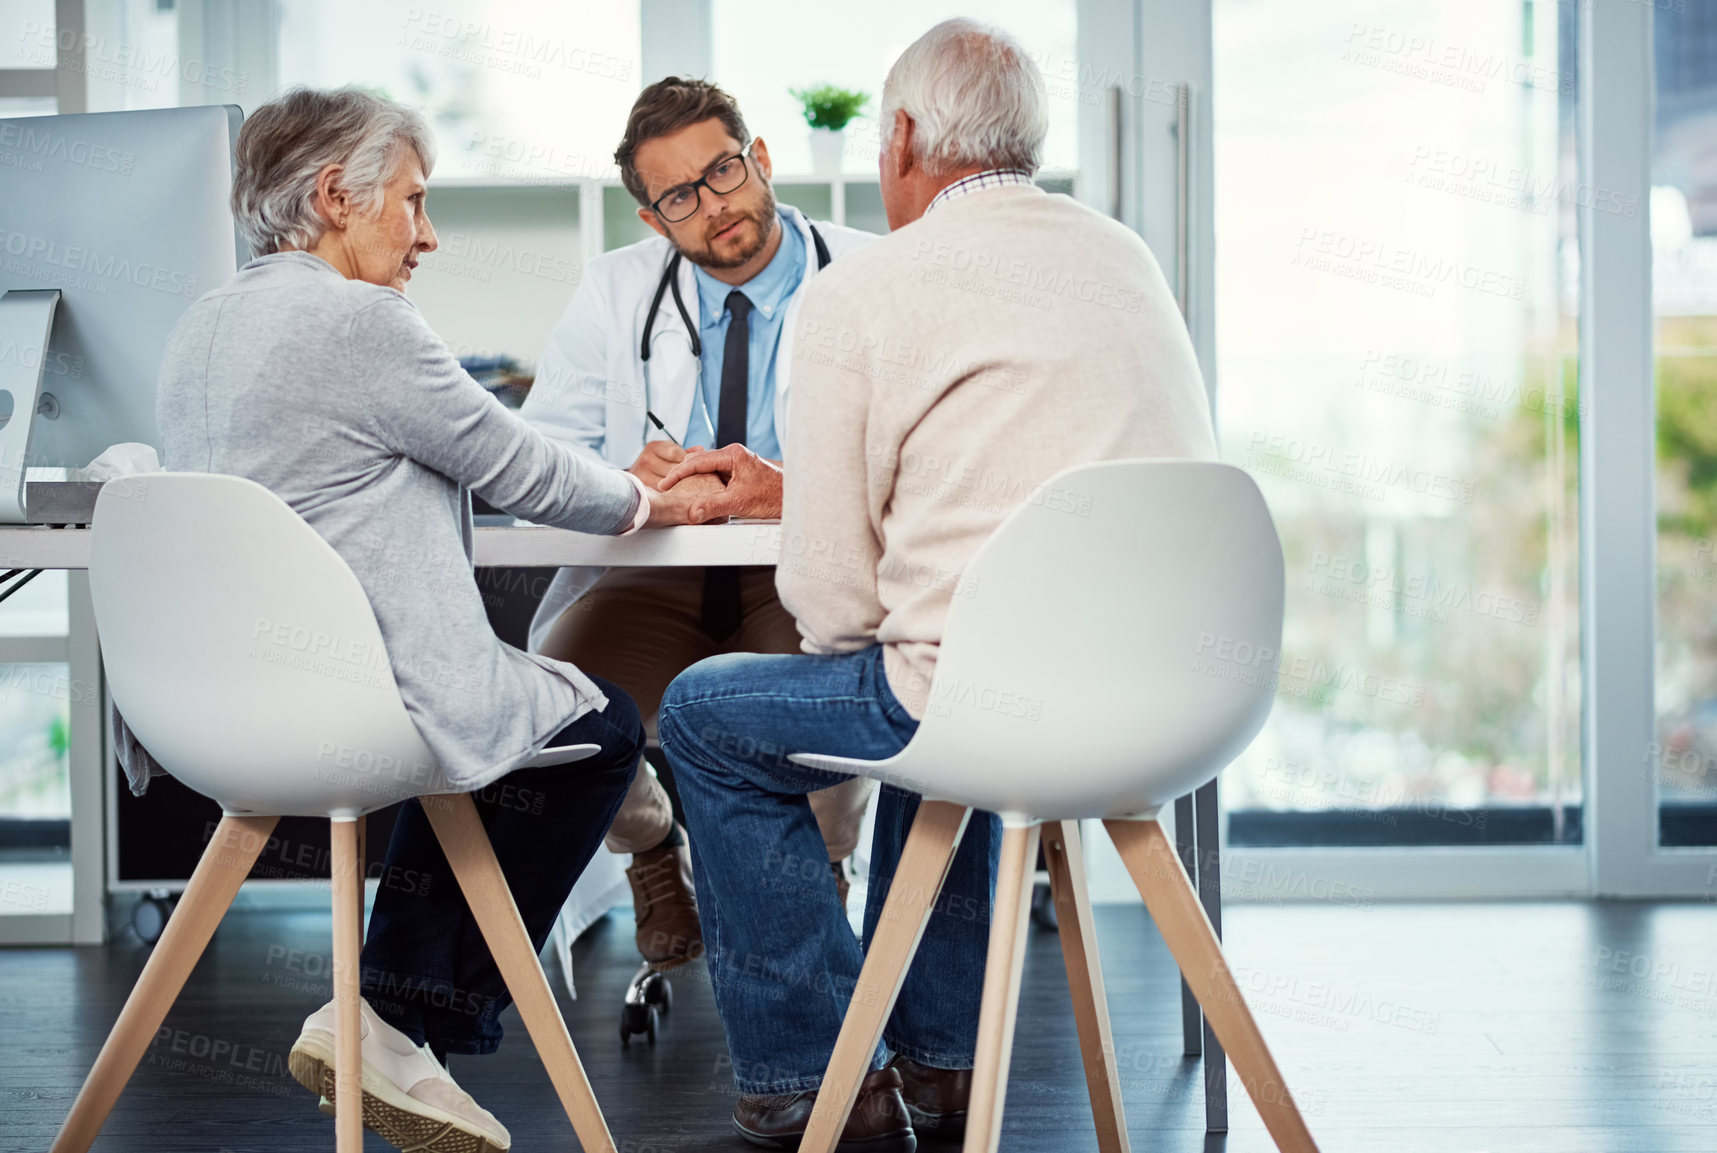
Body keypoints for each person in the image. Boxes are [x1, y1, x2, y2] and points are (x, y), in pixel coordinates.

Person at [656, 18, 1218, 1150]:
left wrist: (826, 509)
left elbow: (828, 608)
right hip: (1175, 698)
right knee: (947, 683)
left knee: (713, 711)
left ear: (905, 136)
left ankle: (818, 1078)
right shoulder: (1122, 253)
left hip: (982, 703)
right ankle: (946, 1061)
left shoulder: (866, 289)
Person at [155, 86, 716, 1153]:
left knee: (487, 733)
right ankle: (394, 1020)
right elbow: (512, 464)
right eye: (412, 202)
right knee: (589, 729)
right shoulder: (359, 319)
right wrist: (652, 497)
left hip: (222, 712)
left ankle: (391, 1018)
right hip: (359, 702)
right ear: (332, 195)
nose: (429, 233)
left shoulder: (200, 325)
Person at [518, 77, 878, 973]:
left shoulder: (870, 278)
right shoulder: (613, 292)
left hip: (799, 567)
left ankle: (824, 875)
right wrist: (611, 476)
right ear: (652, 219)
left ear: (759, 159)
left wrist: (783, 487)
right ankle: (648, 846)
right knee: (547, 709)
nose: (712, 206)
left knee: (833, 694)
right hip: (652, 571)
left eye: (721, 172)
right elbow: (540, 457)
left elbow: (915, 460)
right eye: (679, 195)